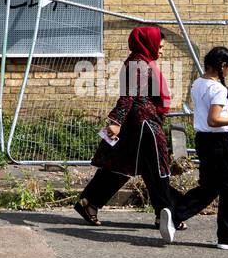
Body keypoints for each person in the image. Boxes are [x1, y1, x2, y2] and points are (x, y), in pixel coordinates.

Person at [74, 25, 178, 243]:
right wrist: (116, 121)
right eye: (159, 46)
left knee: (123, 165)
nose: (162, 50)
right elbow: (128, 96)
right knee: (157, 169)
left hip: (140, 122)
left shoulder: (142, 62)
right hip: (143, 124)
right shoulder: (138, 64)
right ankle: (168, 213)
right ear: (148, 43)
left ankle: (89, 201)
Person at [172, 46, 228, 250]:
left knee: (210, 186)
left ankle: (174, 214)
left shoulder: (197, 83)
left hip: (203, 140)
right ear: (223, 66)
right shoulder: (217, 88)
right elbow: (214, 120)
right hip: (219, 142)